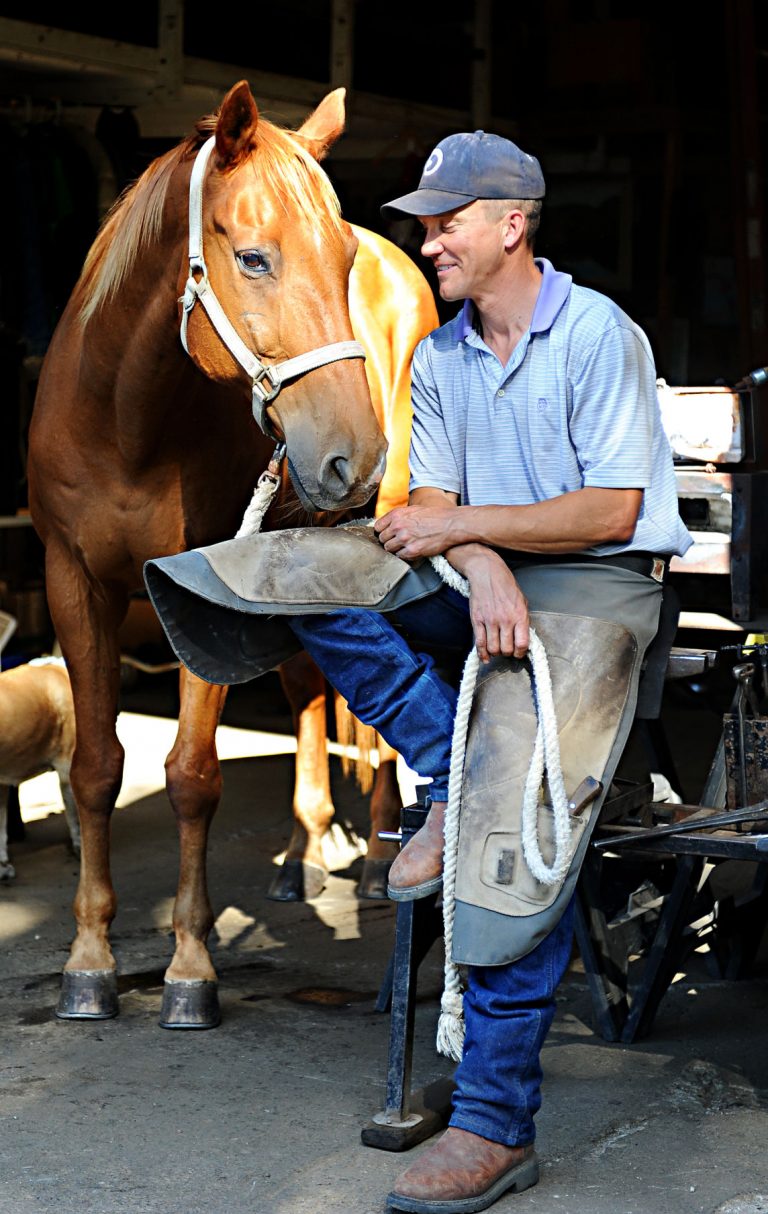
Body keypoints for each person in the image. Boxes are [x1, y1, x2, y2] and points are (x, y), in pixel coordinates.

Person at [284, 131, 693, 1213]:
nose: (425, 241)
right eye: (424, 222)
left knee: (516, 815)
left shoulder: (598, 334)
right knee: (307, 573)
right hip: (495, 577)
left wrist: (480, 541)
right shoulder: (438, 354)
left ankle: (495, 1122)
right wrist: (483, 563)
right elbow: (427, 511)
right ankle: (444, 764)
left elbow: (610, 511)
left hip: (604, 588)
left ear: (512, 222)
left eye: (444, 221)